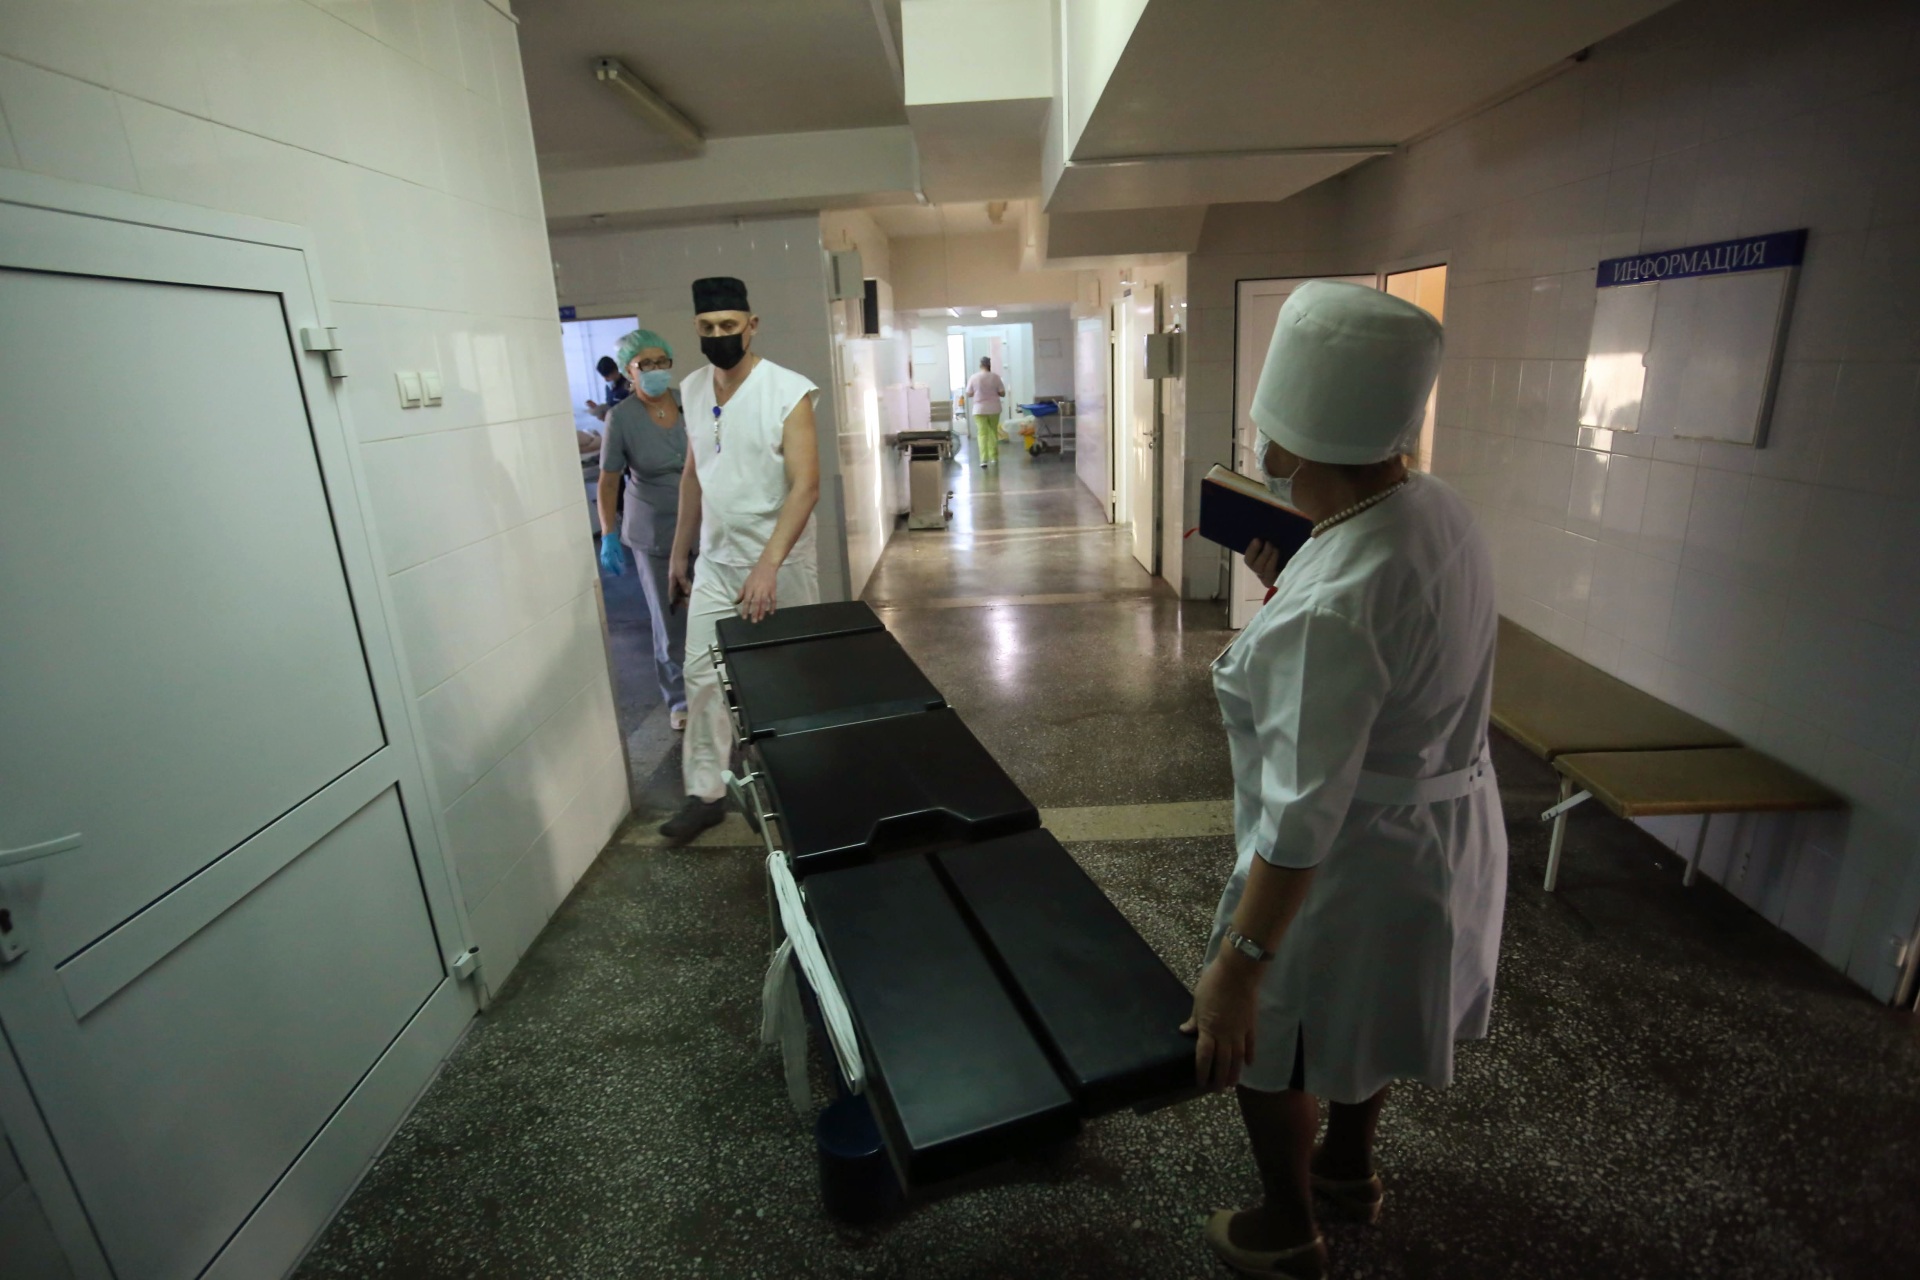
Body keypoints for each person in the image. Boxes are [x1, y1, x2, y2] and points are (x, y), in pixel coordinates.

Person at [1182, 281, 1506, 1280]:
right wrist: (1293, 584)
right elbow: (1394, 641)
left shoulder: (1335, 601)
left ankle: (1288, 1227)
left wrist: (1238, 965)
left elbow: (1301, 815)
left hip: (1349, 859)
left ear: (1287, 447)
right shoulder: (1435, 508)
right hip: (1441, 829)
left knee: (1266, 1040)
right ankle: (1349, 1167)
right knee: (1370, 1011)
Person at [661, 277, 822, 842]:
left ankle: (798, 784)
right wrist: (679, 553)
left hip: (779, 562)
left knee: (787, 678)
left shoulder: (788, 391)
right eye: (707, 327)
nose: (718, 335)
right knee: (702, 676)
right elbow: (693, 475)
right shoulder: (691, 388)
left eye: (728, 325)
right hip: (716, 561)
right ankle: (705, 794)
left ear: (751, 325)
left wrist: (768, 566)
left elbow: (806, 486)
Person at [598, 330, 690, 730]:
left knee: (714, 612)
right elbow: (608, 481)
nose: (655, 370)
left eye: (661, 361)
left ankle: (722, 689)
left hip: (705, 524)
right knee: (669, 620)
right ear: (628, 371)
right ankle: (680, 700)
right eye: (645, 364)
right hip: (654, 532)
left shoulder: (690, 403)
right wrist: (608, 532)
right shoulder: (621, 418)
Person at [964, 356, 1006, 469]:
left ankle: (983, 460)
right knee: (993, 432)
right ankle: (994, 458)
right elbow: (1002, 393)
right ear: (989, 365)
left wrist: (978, 392)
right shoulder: (996, 377)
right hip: (994, 409)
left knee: (982, 434)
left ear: (980, 365)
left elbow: (968, 393)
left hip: (979, 409)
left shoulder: (974, 377)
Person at [585, 355, 631, 422]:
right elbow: (609, 405)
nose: (605, 379)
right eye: (603, 376)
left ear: (615, 371)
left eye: (607, 376)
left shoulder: (628, 384)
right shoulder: (608, 387)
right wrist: (599, 411)